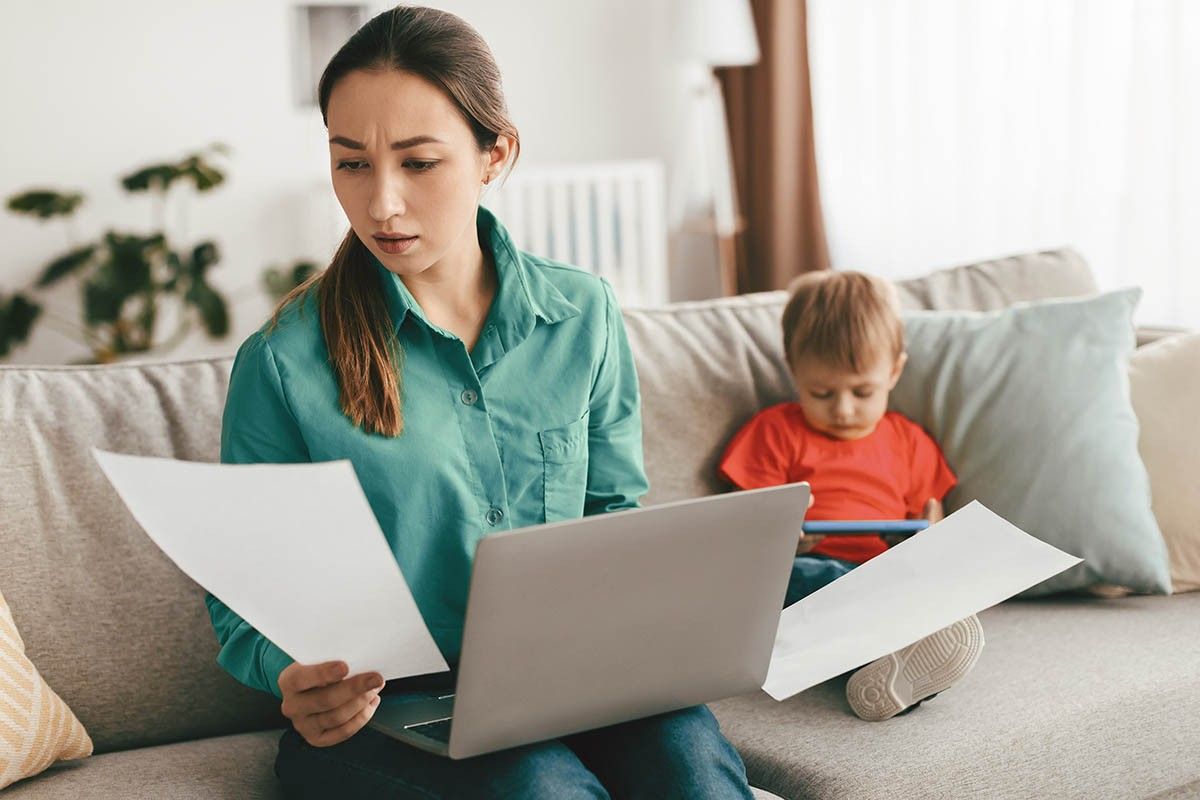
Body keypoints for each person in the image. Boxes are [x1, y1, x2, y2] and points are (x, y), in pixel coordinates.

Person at [206, 5, 756, 798]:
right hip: (387, 715)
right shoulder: (284, 364)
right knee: (542, 790)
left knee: (695, 773)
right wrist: (290, 672)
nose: (381, 204)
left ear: (495, 153)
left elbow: (613, 513)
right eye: (351, 163)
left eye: (418, 163)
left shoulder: (583, 316)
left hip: (575, 679)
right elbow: (242, 598)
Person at [717, 270, 985, 721]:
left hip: (879, 574)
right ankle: (892, 648)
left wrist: (923, 539)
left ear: (894, 370)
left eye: (863, 392)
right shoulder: (774, 432)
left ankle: (889, 672)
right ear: (793, 368)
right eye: (821, 393)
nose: (843, 409)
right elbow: (745, 529)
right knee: (808, 576)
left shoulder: (908, 441)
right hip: (798, 576)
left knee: (912, 583)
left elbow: (931, 525)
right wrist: (781, 537)